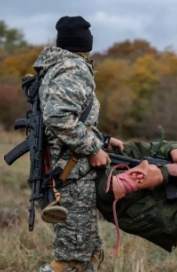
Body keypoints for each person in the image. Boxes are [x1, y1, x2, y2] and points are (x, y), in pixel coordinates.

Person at [34, 15, 124, 272]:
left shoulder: (59, 65)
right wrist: (92, 148)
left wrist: (103, 140)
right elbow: (58, 116)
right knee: (72, 255)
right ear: (87, 42)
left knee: (88, 249)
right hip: (68, 171)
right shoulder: (73, 68)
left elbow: (74, 118)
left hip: (65, 166)